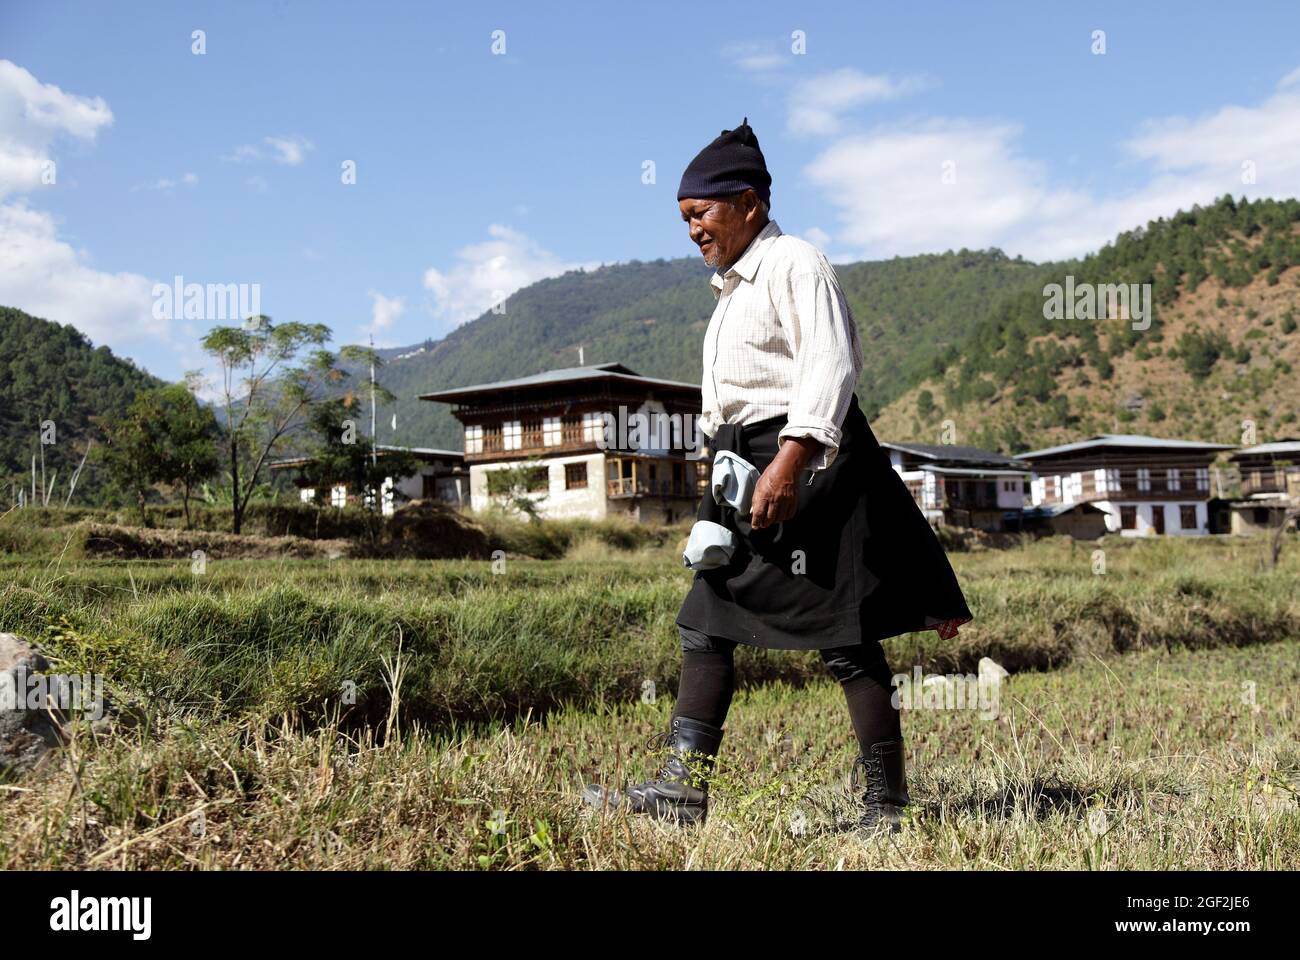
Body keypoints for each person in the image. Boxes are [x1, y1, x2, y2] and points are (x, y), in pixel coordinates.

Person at [583, 118, 972, 834]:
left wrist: (788, 465)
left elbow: (830, 365)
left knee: (843, 636)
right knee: (707, 619)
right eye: (685, 219)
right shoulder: (730, 289)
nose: (693, 230)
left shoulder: (795, 262)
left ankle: (885, 806)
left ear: (749, 203)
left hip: (802, 465)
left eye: (700, 213)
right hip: (744, 468)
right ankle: (684, 789)